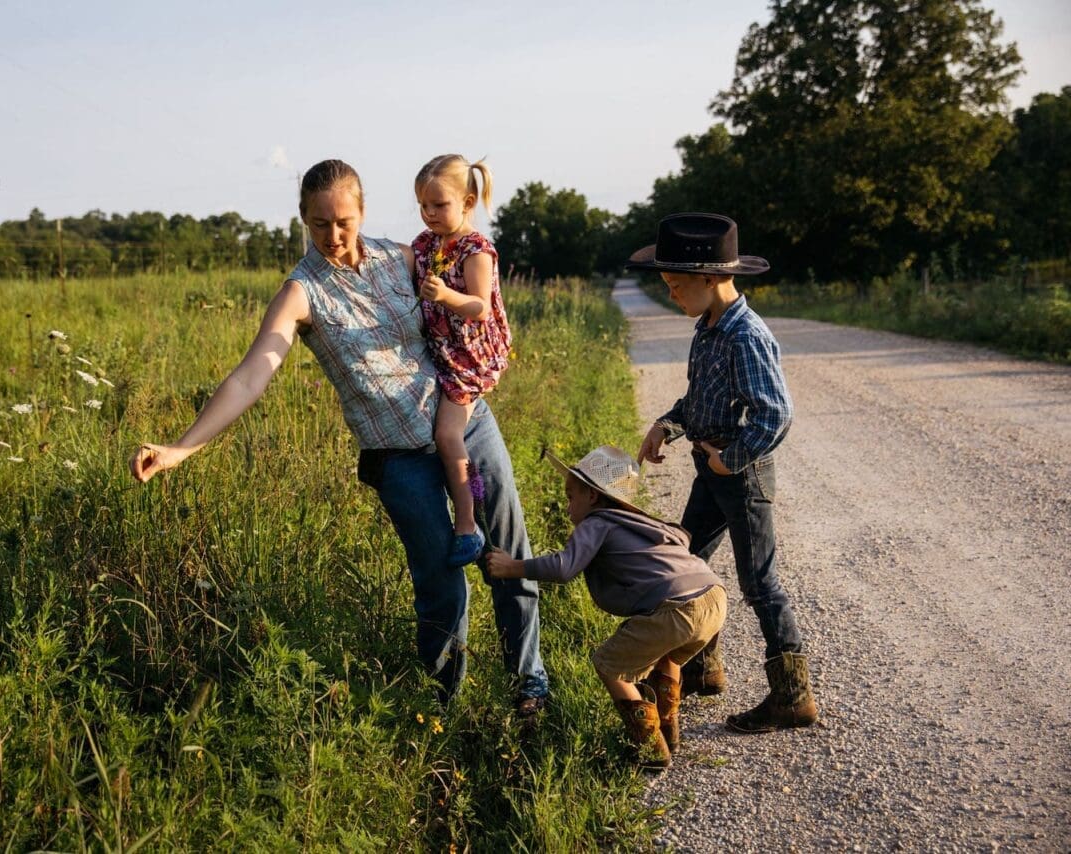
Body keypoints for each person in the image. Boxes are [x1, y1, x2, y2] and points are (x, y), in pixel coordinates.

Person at [129, 159, 549, 715]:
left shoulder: (405, 257)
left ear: (363, 210)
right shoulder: (301, 293)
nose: (334, 235)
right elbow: (253, 372)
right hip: (398, 460)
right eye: (320, 224)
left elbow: (476, 301)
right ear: (303, 220)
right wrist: (182, 448)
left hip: (467, 425)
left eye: (344, 221)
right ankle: (443, 709)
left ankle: (530, 685)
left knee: (507, 553)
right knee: (442, 583)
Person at [627, 212, 817, 732]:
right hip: (711, 471)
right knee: (687, 561)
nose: (671, 295)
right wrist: (666, 426)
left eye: (675, 285)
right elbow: (698, 400)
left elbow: (775, 413)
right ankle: (704, 669)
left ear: (710, 278)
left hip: (743, 475)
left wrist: (729, 459)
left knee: (760, 583)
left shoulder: (745, 335)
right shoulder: (707, 329)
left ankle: (792, 696)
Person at [484, 445, 726, 768]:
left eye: (571, 497)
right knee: (666, 654)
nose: (568, 506)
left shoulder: (597, 523)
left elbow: (563, 567)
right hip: (713, 597)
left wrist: (513, 567)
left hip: (677, 608)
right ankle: (668, 728)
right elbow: (683, 538)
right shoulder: (645, 523)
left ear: (593, 497)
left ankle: (649, 749)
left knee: (608, 665)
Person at [411, 154, 512, 567]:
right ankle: (470, 511)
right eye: (423, 205)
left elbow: (479, 306)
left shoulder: (476, 248)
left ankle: (468, 523)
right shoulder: (427, 244)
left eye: (439, 205)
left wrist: (445, 296)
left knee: (449, 438)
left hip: (471, 357)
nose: (429, 213)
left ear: (468, 202)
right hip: (442, 351)